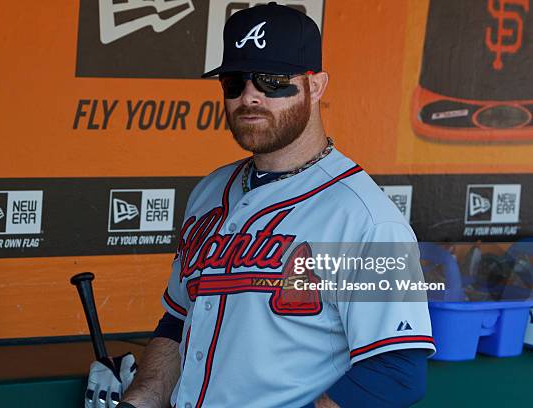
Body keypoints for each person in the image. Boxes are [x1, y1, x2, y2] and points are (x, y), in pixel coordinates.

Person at [97, 3, 436, 407]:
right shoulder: (209, 192)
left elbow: (396, 371)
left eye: (272, 80)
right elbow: (178, 322)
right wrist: (138, 402)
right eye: (234, 81)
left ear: (316, 85)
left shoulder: (367, 218)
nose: (250, 97)